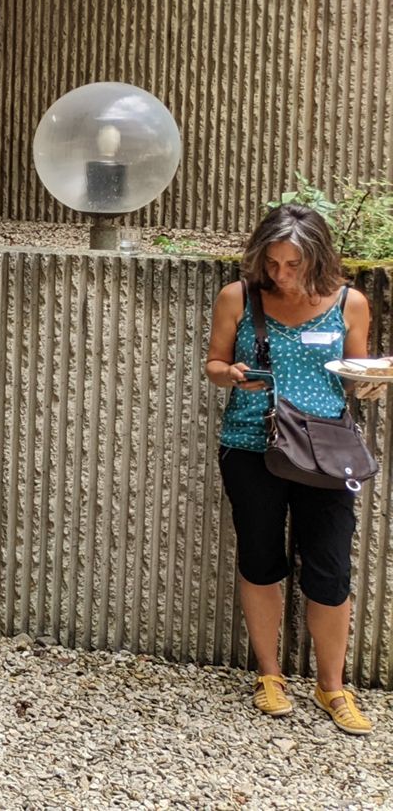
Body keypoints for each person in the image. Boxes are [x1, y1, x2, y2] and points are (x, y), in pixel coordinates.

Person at [205, 202, 383, 735]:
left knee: (330, 567)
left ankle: (333, 687)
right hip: (251, 444)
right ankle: (270, 675)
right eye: (272, 262)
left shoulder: (351, 303)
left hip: (326, 449)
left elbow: (355, 372)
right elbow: (214, 363)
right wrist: (230, 374)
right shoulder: (239, 297)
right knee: (260, 558)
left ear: (318, 258)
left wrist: (370, 384)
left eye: (293, 264)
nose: (280, 274)